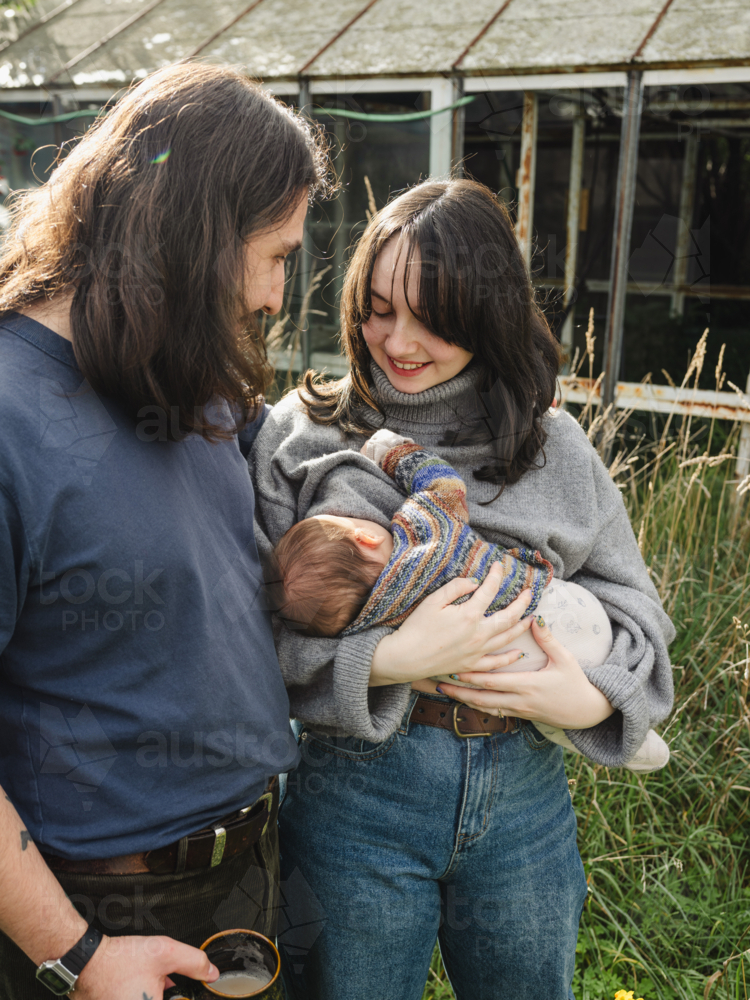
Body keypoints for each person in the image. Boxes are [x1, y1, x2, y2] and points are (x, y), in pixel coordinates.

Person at [249, 178, 676, 1000]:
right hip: (354, 806)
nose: (397, 341)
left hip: (524, 808)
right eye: (377, 308)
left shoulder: (557, 448)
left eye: (432, 316)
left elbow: (639, 622)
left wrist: (582, 700)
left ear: (487, 310)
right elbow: (243, 641)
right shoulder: (299, 437)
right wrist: (383, 659)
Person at [0, 63, 331, 1000]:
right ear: (198, 235)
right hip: (100, 911)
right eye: (275, 255)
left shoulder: (184, 379)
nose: (275, 297)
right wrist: (79, 957)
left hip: (251, 875)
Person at [269, 429, 670, 773]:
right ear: (365, 536)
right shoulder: (425, 525)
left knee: (543, 714)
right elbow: (444, 484)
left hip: (505, 680)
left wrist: (381, 661)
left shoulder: (375, 622)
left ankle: (624, 736)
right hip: (559, 610)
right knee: (551, 693)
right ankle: (626, 733)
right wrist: (389, 449)